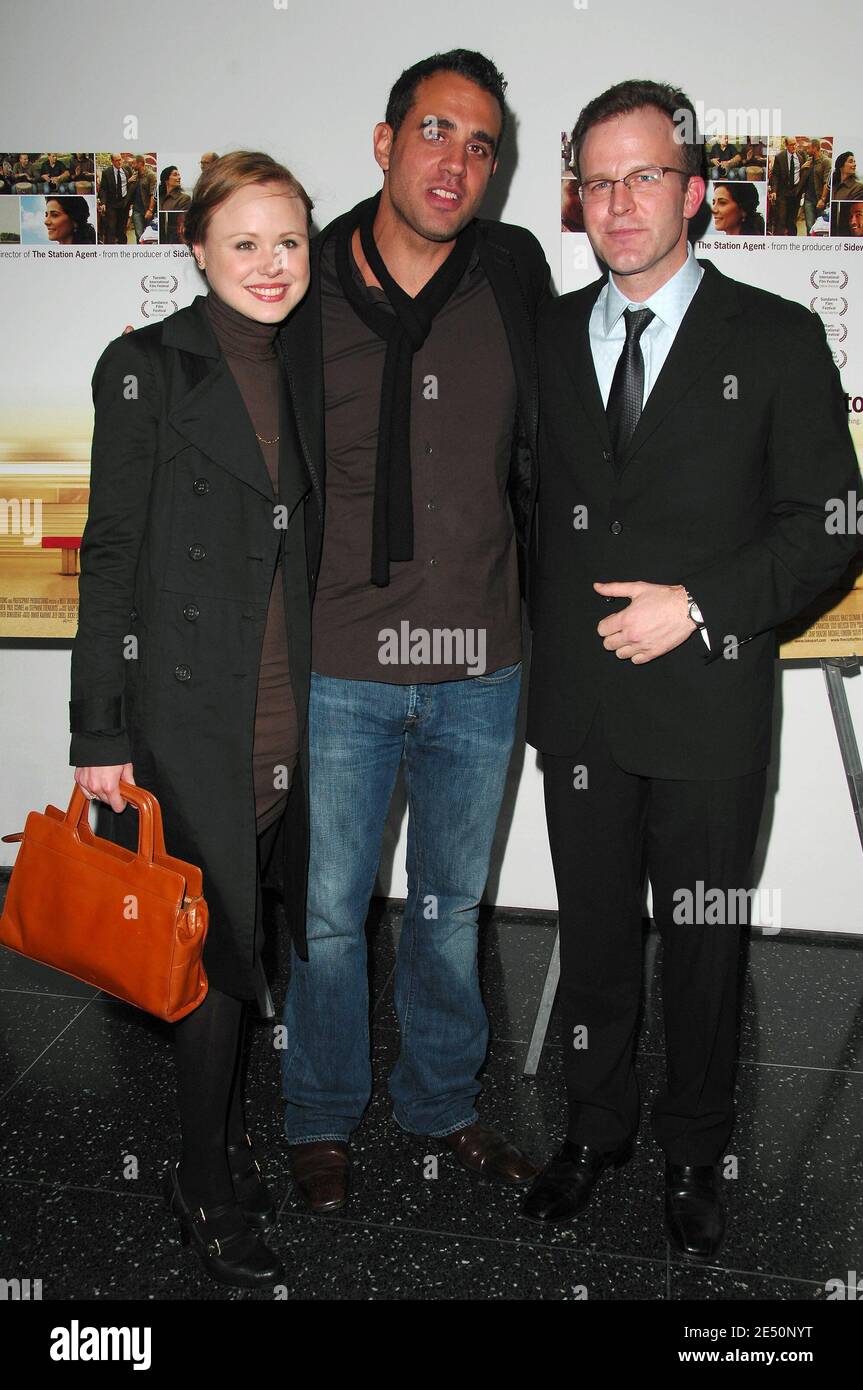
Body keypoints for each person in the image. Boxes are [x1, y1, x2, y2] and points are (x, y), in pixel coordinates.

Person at [523, 79, 860, 1260]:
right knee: (596, 933)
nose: (617, 202)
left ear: (693, 192)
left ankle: (691, 1148)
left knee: (704, 943)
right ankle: (592, 1127)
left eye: (643, 175)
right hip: (577, 708)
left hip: (707, 702)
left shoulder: (768, 337)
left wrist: (702, 604)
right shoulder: (550, 335)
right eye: (596, 180)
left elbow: (829, 518)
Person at [277, 48, 551, 1212]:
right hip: (338, 663)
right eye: (436, 131)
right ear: (383, 142)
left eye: (480, 144)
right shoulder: (303, 287)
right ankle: (320, 1113)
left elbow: (552, 450)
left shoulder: (512, 271)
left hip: (478, 660)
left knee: (449, 907)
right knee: (330, 914)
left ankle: (443, 1100)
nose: (457, 161)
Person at [69, 150, 321, 1288]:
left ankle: (216, 1146)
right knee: (212, 952)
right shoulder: (144, 367)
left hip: (290, 701)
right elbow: (111, 557)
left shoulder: (307, 362)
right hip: (185, 707)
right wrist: (98, 736)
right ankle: (202, 1181)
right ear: (198, 253)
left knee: (253, 932)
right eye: (246, 244)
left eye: (290, 243)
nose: (272, 267)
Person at [768, 136, 804, 234]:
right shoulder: (780, 157)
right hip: (783, 191)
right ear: (786, 145)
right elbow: (775, 175)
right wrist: (774, 191)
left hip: (796, 192)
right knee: (781, 217)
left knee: (792, 220)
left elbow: (803, 173)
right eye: (791, 144)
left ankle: (792, 241)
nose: (794, 146)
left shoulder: (801, 157)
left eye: (795, 144)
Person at [98, 154, 131, 243]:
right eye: (117, 160)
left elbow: (129, 186)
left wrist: (129, 202)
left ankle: (122, 249)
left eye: (120, 160)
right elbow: (103, 189)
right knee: (111, 227)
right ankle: (110, 249)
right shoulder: (107, 172)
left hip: (123, 204)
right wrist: (103, 203)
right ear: (112, 161)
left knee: (122, 228)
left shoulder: (126, 172)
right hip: (111, 203)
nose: (119, 162)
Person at [800, 138, 831, 232]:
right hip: (808, 199)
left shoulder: (826, 162)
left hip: (820, 199)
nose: (807, 150)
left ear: (815, 148)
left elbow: (827, 182)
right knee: (809, 226)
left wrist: (822, 199)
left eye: (809, 148)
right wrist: (802, 168)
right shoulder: (809, 161)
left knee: (820, 227)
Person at [127, 155, 156, 242]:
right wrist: (129, 181)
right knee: (139, 235)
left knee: (148, 235)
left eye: (134, 163)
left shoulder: (151, 176)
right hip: (137, 210)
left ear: (140, 163)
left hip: (147, 209)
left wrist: (150, 210)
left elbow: (153, 194)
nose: (132, 166)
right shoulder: (134, 175)